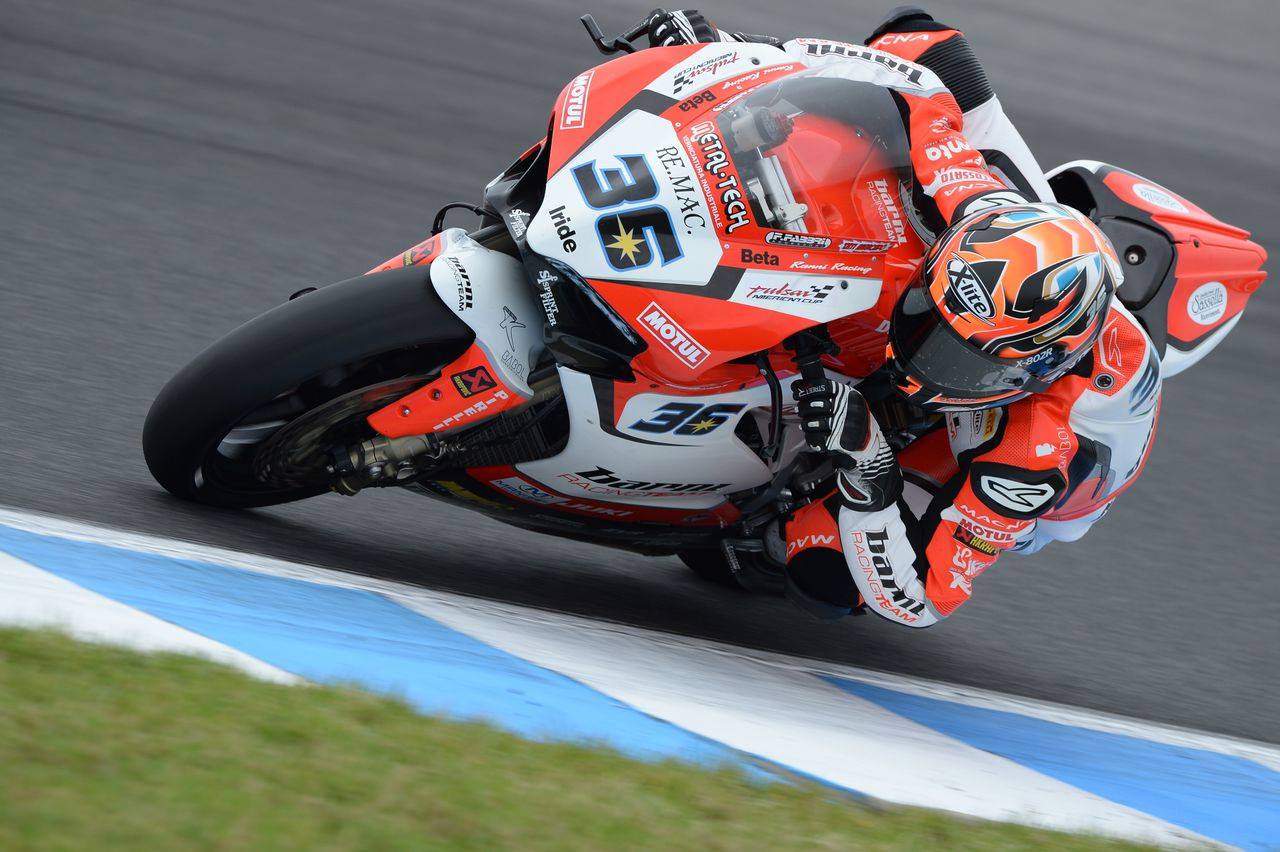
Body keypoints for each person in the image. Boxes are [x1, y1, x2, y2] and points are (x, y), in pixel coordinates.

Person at [644, 7, 1162, 626]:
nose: (920, 360)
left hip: (1033, 440)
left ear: (1026, 375)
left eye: (956, 358)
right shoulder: (973, 203)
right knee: (923, 45)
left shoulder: (1031, 455)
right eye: (930, 318)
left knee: (825, 573)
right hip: (1027, 274)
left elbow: (924, 602)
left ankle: (763, 540)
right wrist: (733, 54)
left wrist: (872, 468)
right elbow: (917, 80)